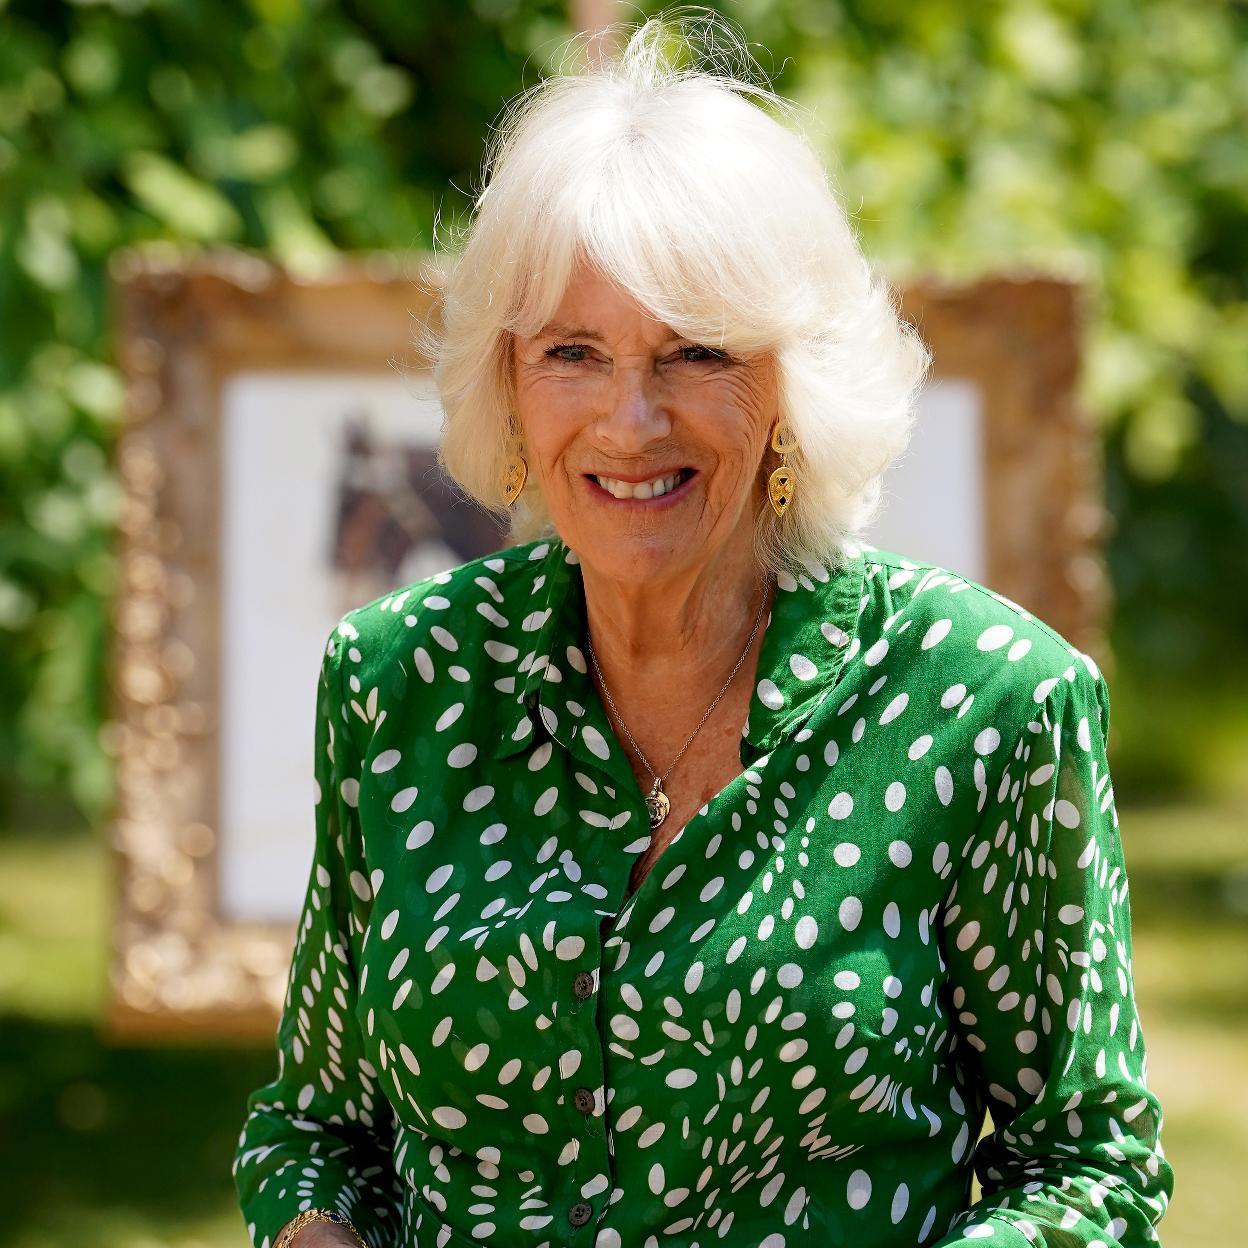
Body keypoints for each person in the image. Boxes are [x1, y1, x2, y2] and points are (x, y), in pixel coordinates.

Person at [232, 12, 1173, 1248]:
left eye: (698, 353)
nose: (631, 421)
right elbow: (316, 1130)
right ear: (508, 387)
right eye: (574, 351)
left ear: (793, 387)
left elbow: (1090, 1171)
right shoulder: (401, 677)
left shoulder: (986, 703)